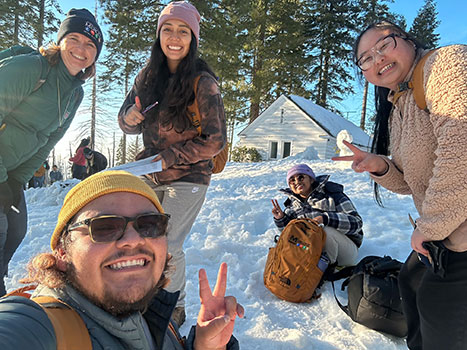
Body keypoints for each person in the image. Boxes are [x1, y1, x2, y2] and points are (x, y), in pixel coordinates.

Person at [333, 21, 467, 350]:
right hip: (447, 232)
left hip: (457, 232)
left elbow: (460, 150)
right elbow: (412, 183)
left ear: (407, 40)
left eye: (384, 45)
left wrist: (431, 226)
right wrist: (381, 166)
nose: (377, 59)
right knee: (411, 282)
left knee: (439, 311)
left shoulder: (445, 65)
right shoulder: (400, 106)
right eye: (365, 58)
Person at [0, 170, 243, 349]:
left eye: (150, 225)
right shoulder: (42, 324)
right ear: (62, 252)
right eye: (105, 227)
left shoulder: (152, 314)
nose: (133, 239)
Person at [118, 1, 227, 326]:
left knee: (168, 241)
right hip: (150, 172)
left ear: (192, 38)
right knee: (142, 237)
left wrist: (171, 156)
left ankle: (175, 305)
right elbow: (125, 122)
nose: (175, 37)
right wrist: (129, 117)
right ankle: (148, 293)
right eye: (168, 29)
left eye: (183, 31)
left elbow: (215, 139)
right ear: (159, 35)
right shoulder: (146, 76)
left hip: (190, 176)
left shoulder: (203, 82)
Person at [0, 8, 103, 296]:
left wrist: (15, 181)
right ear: (61, 41)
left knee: (16, 231)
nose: (81, 49)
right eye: (74, 38)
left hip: (9, 174)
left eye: (90, 44)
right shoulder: (31, 69)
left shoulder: (75, 92)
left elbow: (48, 139)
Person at [271, 164, 363, 267]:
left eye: (301, 177)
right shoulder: (292, 206)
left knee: (325, 231)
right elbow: (290, 234)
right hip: (313, 251)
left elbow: (357, 223)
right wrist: (281, 218)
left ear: (311, 179)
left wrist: (326, 219)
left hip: (344, 251)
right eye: (292, 180)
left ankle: (324, 270)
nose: (297, 182)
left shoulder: (332, 195)